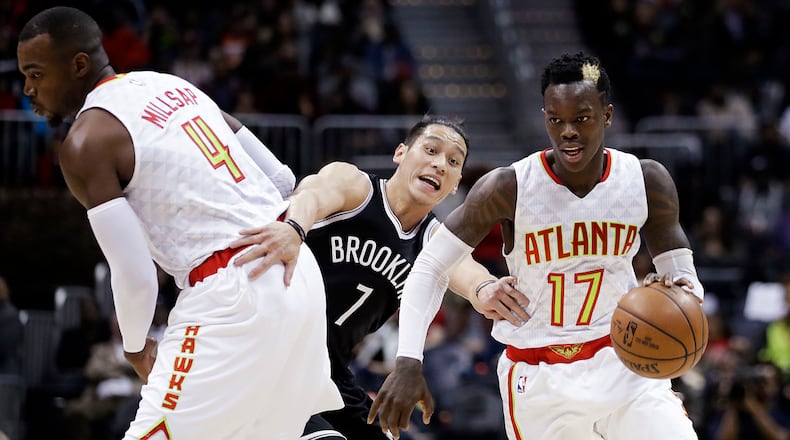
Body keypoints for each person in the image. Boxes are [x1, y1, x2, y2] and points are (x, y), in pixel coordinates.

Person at [17, 6, 341, 439]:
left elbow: (135, 276)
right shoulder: (172, 85)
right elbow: (282, 178)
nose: (27, 89)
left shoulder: (86, 141)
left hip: (233, 290)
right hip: (297, 275)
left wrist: (135, 347)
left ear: (77, 65)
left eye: (36, 74)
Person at [368, 52, 706, 439]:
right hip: (540, 377)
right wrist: (409, 360)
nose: (568, 132)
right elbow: (430, 266)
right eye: (555, 119)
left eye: (582, 118)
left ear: (607, 116)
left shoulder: (646, 180)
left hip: (623, 365)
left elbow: (686, 282)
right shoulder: (508, 186)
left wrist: (676, 299)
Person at [229, 114, 531, 439]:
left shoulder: (433, 240)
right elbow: (313, 195)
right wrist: (294, 228)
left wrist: (486, 290)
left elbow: (469, 272)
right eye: (431, 150)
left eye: (453, 161)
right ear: (401, 153)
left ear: (456, 182)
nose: (440, 164)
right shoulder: (356, 186)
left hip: (327, 374)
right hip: (269, 350)